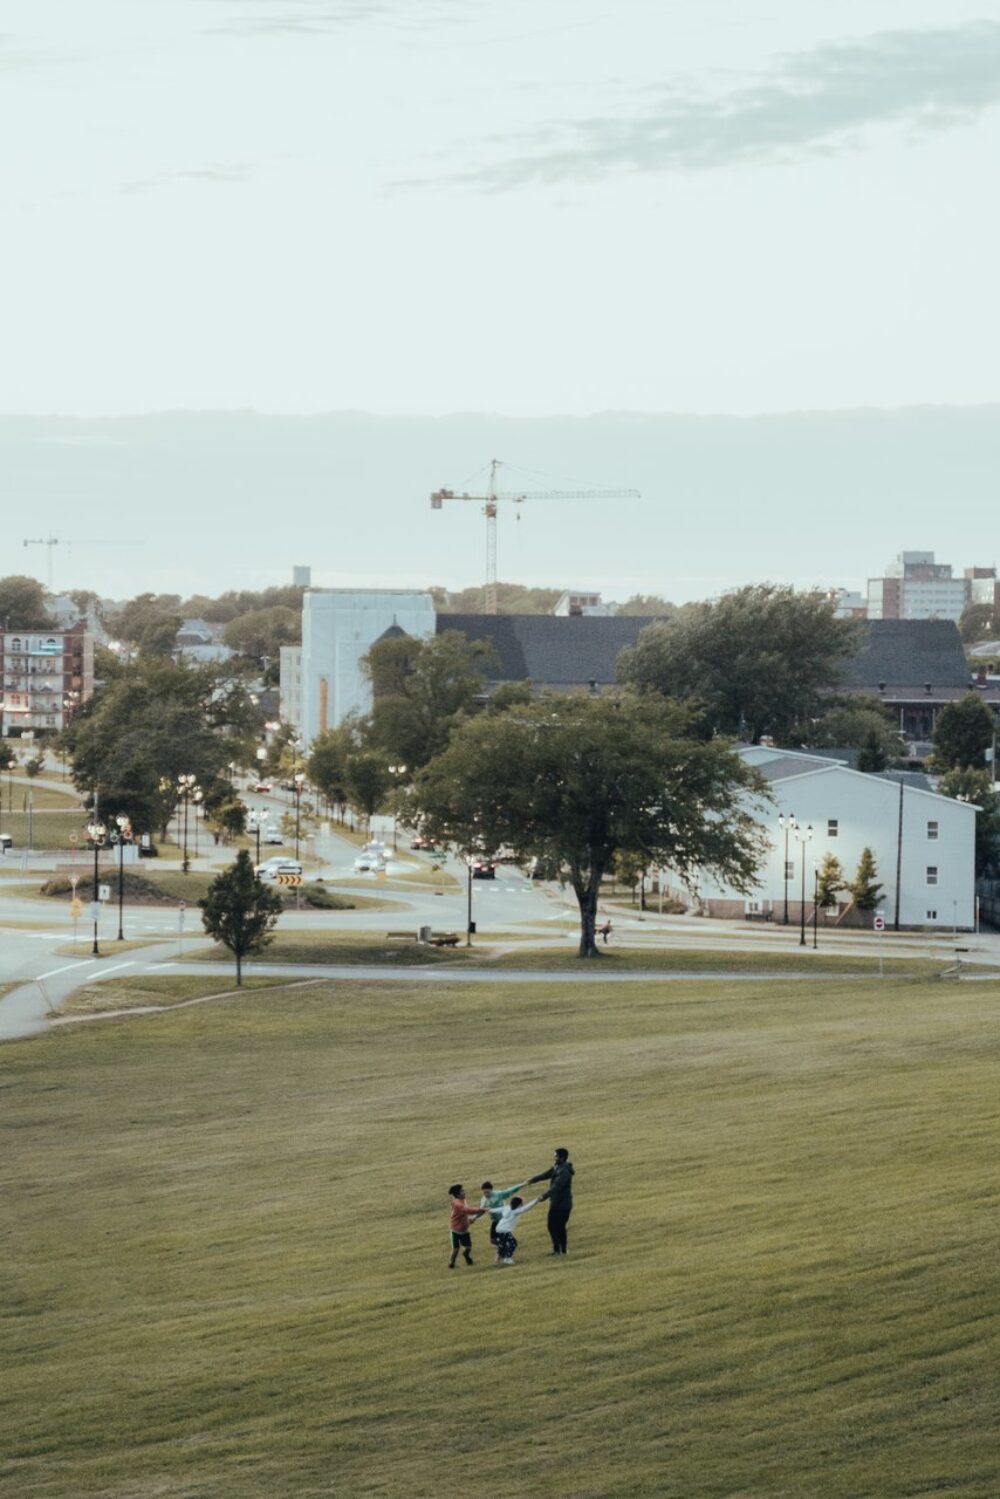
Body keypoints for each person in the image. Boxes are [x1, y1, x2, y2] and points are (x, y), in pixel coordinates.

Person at [529, 1147, 575, 1255]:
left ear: (562, 1158)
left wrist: (544, 1196)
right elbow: (546, 1174)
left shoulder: (564, 1172)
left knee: (557, 1227)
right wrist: (532, 1180)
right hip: (556, 1203)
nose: (554, 1158)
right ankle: (560, 1250)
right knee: (555, 1226)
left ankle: (560, 1250)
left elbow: (556, 1186)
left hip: (563, 1204)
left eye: (556, 1156)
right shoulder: (557, 1167)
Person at [480, 1177, 529, 1261]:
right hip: (495, 1221)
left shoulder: (499, 1194)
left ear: (491, 1190)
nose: (486, 1194)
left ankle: (501, 1257)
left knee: (503, 1241)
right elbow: (482, 1210)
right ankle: (502, 1251)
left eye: (487, 1192)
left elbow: (510, 1190)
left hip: (503, 1221)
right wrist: (473, 1218)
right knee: (493, 1241)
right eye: (484, 1192)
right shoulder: (483, 1200)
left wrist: (522, 1184)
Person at [493, 1194, 543, 1266]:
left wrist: (487, 1209)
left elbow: (495, 1210)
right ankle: (507, 1258)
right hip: (505, 1230)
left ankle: (498, 1258)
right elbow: (527, 1207)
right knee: (513, 1243)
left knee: (503, 1244)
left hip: (498, 1229)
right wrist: (536, 1200)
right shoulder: (516, 1211)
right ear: (519, 1205)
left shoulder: (506, 1208)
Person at [447, 1184, 486, 1269]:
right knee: (456, 1249)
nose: (464, 1192)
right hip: (455, 1231)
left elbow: (464, 1214)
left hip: (464, 1230)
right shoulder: (457, 1204)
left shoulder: (463, 1200)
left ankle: (466, 1254)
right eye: (462, 1191)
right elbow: (467, 1210)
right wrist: (480, 1209)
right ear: (457, 1194)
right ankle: (452, 1264)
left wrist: (469, 1220)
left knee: (468, 1247)